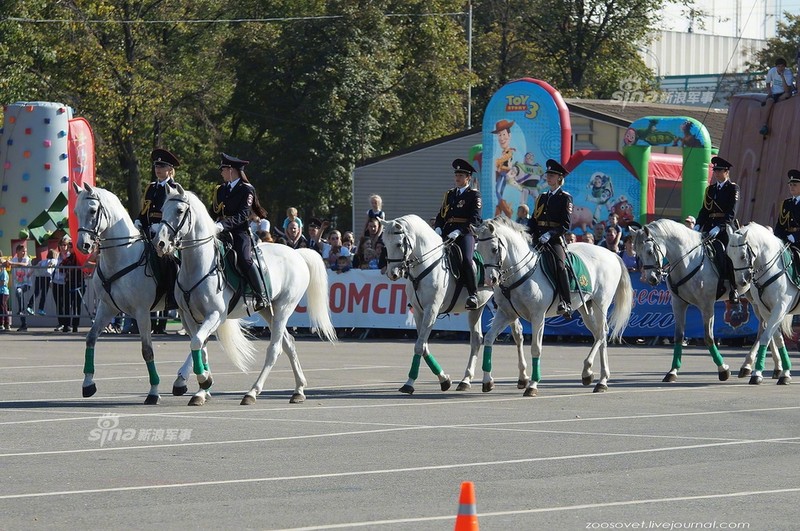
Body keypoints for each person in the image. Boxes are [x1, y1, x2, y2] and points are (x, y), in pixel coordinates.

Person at [211, 153, 270, 311]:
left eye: (222, 169)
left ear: (231, 170)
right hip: (219, 232)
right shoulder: (221, 190)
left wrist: (223, 225)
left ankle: (261, 294)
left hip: (239, 232)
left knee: (245, 259)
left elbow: (243, 215)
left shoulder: (246, 189)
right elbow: (213, 212)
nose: (221, 172)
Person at [135, 148, 181, 332]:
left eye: (162, 166)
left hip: (167, 235)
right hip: (148, 232)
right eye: (156, 166)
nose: (158, 169)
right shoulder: (151, 188)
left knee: (168, 261)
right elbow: (145, 209)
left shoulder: (176, 189)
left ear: (170, 169)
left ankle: (171, 296)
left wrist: (159, 227)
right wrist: (139, 220)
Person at [433, 158, 482, 309]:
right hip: (447, 232)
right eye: (456, 175)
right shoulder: (449, 194)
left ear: (468, 178)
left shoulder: (474, 195)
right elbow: (442, 214)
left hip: (465, 233)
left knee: (466, 260)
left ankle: (473, 294)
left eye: (461, 176)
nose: (457, 178)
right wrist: (438, 227)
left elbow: (476, 219)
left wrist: (460, 231)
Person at [527, 159, 573, 318]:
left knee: (560, 266)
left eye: (552, 175)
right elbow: (533, 219)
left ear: (559, 178)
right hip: (538, 237)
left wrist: (550, 234)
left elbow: (565, 225)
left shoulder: (565, 197)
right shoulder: (541, 197)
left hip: (554, 239)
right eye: (548, 174)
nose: (549, 177)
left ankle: (565, 302)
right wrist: (528, 232)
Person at [694, 156, 740, 303]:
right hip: (709, 226)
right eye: (715, 170)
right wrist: (697, 224)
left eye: (719, 170)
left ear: (726, 172)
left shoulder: (733, 188)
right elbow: (704, 210)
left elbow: (731, 212)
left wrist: (719, 227)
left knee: (728, 253)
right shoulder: (710, 189)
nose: (716, 173)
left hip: (724, 226)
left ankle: (733, 288)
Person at [52, 235, 81, 332]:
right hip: (56, 281)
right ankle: (61, 323)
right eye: (61, 245)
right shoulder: (56, 255)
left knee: (67, 304)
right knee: (59, 304)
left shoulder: (70, 256)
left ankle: (68, 324)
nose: (63, 247)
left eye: (65, 245)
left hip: (66, 282)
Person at [774, 169, 800, 251]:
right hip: (784, 240)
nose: (792, 187)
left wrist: (795, 237)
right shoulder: (786, 203)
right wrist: (776, 237)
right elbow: (780, 224)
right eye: (790, 185)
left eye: (795, 185)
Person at [9, 244, 32, 331]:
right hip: (18, 284)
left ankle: (21, 311)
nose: (24, 252)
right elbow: (10, 264)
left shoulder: (26, 258)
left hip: (26, 284)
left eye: (25, 251)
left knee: (19, 292)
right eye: (22, 251)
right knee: (20, 301)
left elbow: (25, 264)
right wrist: (8, 262)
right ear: (17, 252)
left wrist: (13, 264)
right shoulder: (14, 259)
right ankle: (23, 324)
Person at [0, 253, 9, 331]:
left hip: (3, 292)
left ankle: (3, 323)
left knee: (2, 307)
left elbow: (3, 282)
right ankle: (5, 323)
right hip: (1, 291)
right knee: (3, 307)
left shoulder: (3, 272)